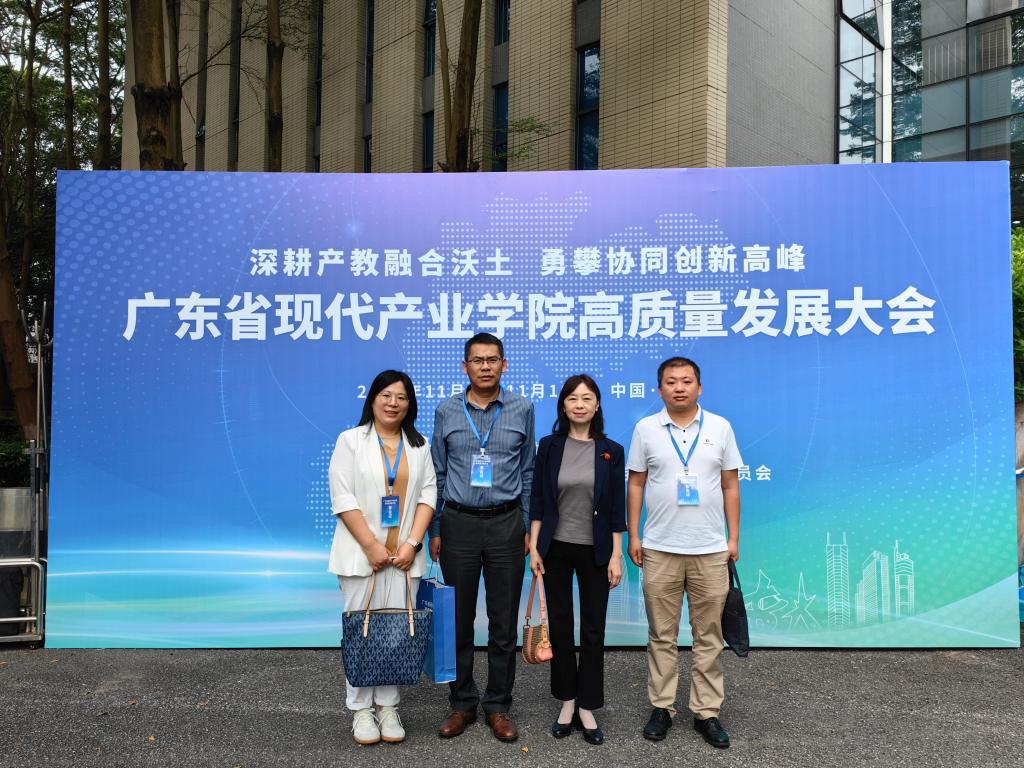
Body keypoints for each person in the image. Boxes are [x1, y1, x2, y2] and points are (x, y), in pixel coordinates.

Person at [626, 357, 742, 749]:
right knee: (662, 634)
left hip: (710, 549)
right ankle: (662, 707)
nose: (679, 387)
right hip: (660, 548)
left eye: (687, 381)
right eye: (672, 382)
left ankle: (706, 712)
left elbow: (730, 485)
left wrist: (733, 538)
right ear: (659, 389)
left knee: (709, 635)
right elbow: (636, 484)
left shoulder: (720, 427)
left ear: (699, 387)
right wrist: (634, 535)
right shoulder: (646, 429)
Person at [429, 332, 535, 743]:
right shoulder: (447, 410)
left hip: (507, 523)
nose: (485, 366)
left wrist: (525, 525)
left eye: (493, 360)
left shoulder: (523, 408)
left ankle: (498, 705)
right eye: (478, 360)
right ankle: (462, 703)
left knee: (503, 621)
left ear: (504, 365)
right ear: (465, 366)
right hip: (459, 523)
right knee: (457, 619)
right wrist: (436, 528)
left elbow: (527, 471)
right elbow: (438, 473)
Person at [327, 370, 437, 746]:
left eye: (401, 397)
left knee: (394, 633)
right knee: (362, 631)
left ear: (410, 404)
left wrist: (413, 544)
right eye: (386, 395)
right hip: (362, 556)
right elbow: (342, 496)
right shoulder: (351, 441)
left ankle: (388, 706)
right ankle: (360, 709)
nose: (393, 403)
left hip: (403, 558)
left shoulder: (419, 445)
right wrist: (371, 546)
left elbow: (428, 495)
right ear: (373, 399)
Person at [528, 374, 625, 746]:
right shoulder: (549, 446)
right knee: (561, 626)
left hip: (596, 550)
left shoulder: (611, 450)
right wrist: (535, 547)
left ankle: (588, 705)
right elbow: (538, 500)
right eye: (572, 398)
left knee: (593, 629)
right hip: (555, 547)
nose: (580, 404)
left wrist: (616, 554)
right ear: (563, 406)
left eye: (587, 398)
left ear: (597, 405)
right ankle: (567, 701)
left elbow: (615, 509)